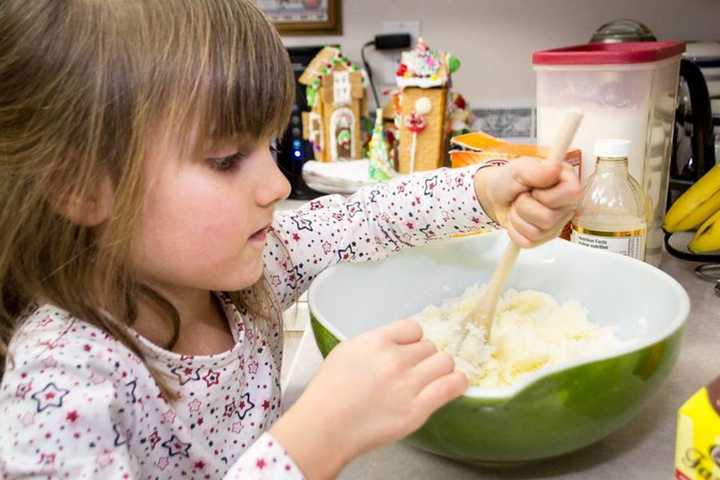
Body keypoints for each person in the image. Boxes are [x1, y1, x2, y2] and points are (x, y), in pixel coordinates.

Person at [0, 1, 581, 478]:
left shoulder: (253, 268)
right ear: (81, 188)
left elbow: (367, 218)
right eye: (227, 160)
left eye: (268, 147)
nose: (277, 185)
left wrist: (486, 191)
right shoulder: (60, 383)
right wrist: (311, 444)